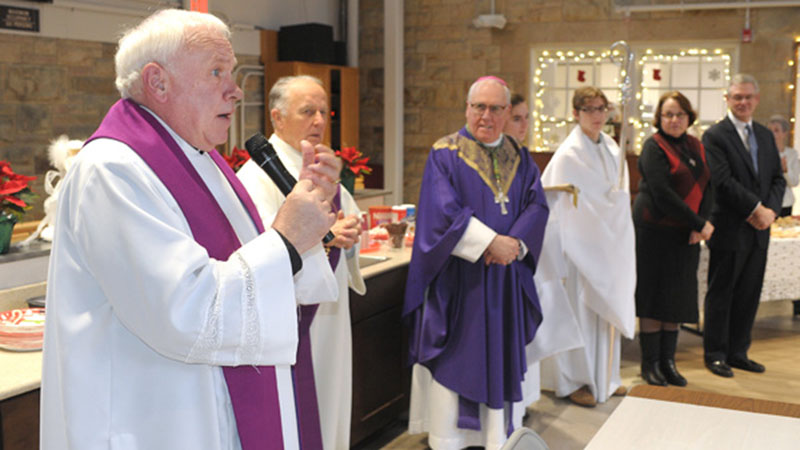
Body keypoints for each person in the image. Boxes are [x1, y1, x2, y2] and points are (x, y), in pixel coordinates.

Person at [40, 9, 342, 450]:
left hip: (209, 411)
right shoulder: (111, 169)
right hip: (153, 421)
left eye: (232, 72)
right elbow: (185, 309)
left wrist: (307, 221)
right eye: (216, 71)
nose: (236, 90)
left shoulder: (202, 160)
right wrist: (286, 241)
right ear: (158, 82)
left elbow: (256, 279)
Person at [403, 76, 549, 449]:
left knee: (499, 355)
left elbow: (536, 204)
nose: (486, 116)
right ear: (467, 109)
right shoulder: (445, 153)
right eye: (479, 107)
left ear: (507, 112)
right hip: (460, 282)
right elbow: (441, 212)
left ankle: (495, 438)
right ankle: (450, 440)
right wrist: (489, 242)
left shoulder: (520, 155)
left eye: (496, 108)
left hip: (504, 280)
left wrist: (514, 243)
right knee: (457, 356)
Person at [237, 75, 366, 450]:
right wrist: (326, 239)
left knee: (332, 400)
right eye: (307, 111)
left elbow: (344, 227)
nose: (319, 121)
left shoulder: (321, 165)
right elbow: (259, 246)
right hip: (295, 321)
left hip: (331, 311)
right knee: (306, 412)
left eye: (324, 111)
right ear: (276, 118)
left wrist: (349, 236)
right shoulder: (257, 177)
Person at [538, 87, 636, 407]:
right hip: (579, 248)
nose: (597, 115)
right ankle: (573, 381)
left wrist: (615, 208)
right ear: (576, 113)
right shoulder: (569, 154)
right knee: (579, 313)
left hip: (605, 246)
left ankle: (605, 376)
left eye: (601, 109)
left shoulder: (610, 147)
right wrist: (610, 208)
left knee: (601, 316)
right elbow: (566, 202)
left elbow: (613, 193)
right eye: (589, 109)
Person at [702, 74, 785, 377]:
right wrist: (755, 208)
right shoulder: (715, 136)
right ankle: (715, 354)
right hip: (730, 226)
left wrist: (771, 211)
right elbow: (722, 181)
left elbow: (777, 178)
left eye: (748, 97)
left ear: (757, 99)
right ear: (727, 99)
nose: (743, 102)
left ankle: (739, 352)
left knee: (749, 293)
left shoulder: (764, 135)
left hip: (760, 230)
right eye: (737, 97)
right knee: (722, 293)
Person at [633, 92, 713, 387]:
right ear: (659, 118)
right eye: (668, 114)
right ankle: (649, 364)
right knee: (654, 298)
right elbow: (662, 194)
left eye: (679, 114)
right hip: (654, 232)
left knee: (676, 299)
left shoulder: (696, 145)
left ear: (689, 116)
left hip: (685, 235)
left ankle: (669, 362)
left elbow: (709, 185)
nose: (674, 120)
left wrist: (701, 223)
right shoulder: (653, 147)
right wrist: (698, 222)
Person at [767, 115, 800, 218]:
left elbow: (794, 182)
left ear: (784, 133)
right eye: (769, 130)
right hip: (765, 204)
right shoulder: (762, 154)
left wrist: (785, 170)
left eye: (776, 130)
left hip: (785, 203)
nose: (772, 134)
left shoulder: (792, 154)